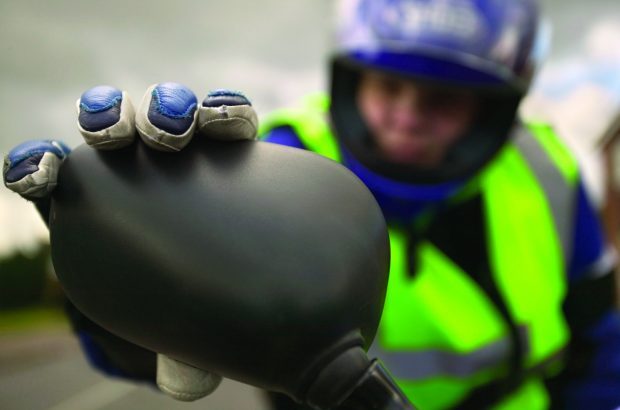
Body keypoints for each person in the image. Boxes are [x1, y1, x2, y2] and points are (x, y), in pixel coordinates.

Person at [4, 0, 620, 408]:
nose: (405, 116)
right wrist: (129, 285)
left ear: (491, 109)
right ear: (351, 81)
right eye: (388, 85)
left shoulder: (548, 174)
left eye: (441, 98)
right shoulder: (279, 160)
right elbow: (168, 332)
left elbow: (602, 342)